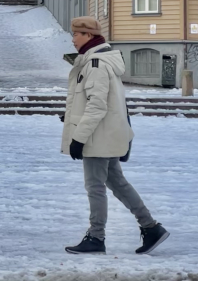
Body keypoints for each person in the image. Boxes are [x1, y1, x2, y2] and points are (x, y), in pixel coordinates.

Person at [63, 16, 169, 255]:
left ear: (88, 36)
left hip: (97, 137)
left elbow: (97, 106)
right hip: (106, 133)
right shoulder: (98, 61)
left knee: (95, 187)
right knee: (118, 184)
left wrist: (78, 138)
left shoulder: (96, 64)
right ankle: (151, 228)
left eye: (76, 34)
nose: (73, 39)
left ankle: (96, 237)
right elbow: (98, 103)